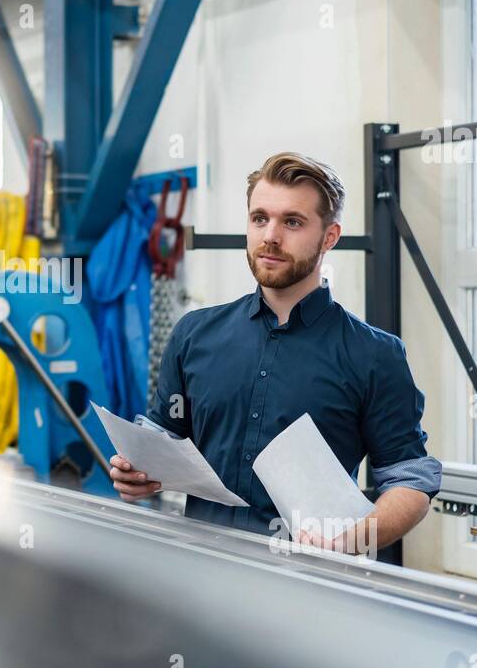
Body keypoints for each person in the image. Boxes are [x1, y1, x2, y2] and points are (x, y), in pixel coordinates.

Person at [109, 152, 441, 553]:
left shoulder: (375, 355)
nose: (270, 235)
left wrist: (351, 541)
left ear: (330, 237)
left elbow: (410, 478)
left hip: (308, 587)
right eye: (259, 218)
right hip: (202, 577)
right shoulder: (194, 335)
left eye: (293, 222)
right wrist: (138, 470)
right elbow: (164, 433)